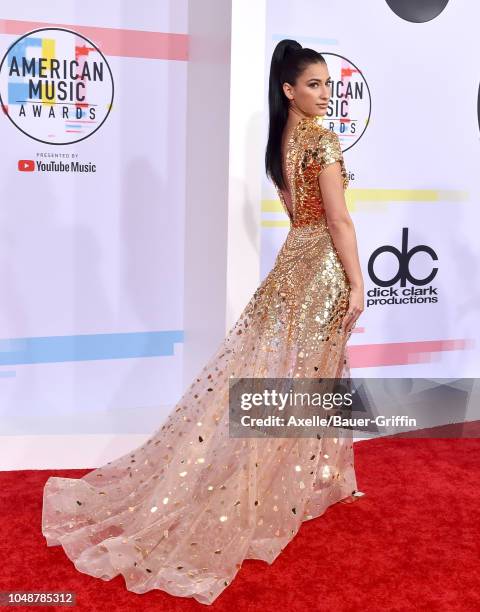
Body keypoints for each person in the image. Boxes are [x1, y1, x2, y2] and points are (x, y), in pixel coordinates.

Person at [42, 39, 365, 605]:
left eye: (327, 84)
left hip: (292, 262)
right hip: (319, 269)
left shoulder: (282, 141)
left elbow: (304, 213)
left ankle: (318, 478)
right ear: (289, 90)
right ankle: (280, 485)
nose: (324, 93)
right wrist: (358, 281)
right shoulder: (322, 138)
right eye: (313, 84)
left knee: (298, 378)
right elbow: (337, 218)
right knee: (310, 380)